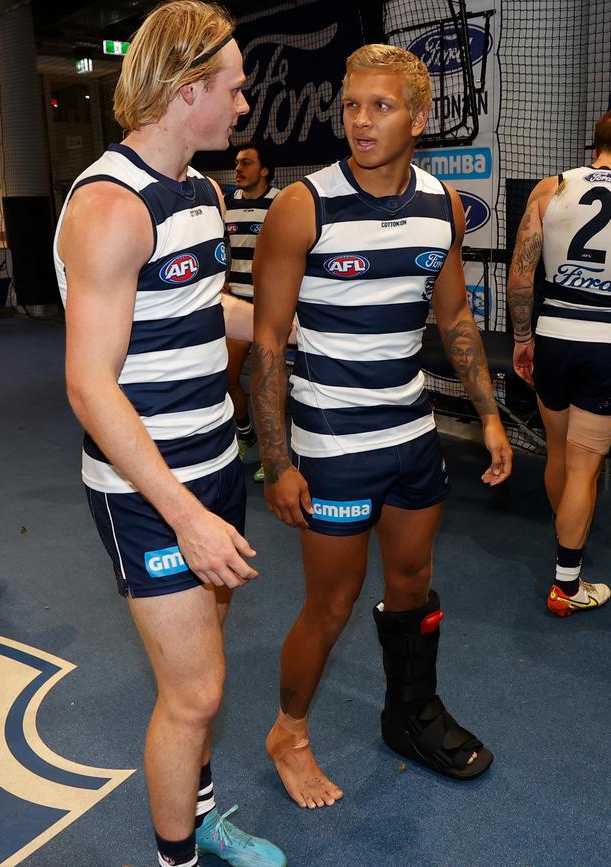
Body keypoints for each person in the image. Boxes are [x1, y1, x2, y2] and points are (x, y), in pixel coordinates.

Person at [250, 43, 513, 810]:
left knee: (413, 582)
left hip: (412, 433)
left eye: (381, 106)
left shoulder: (443, 205)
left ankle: (410, 713)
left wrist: (490, 417)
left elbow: (456, 315)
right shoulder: (305, 206)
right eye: (352, 104)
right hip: (334, 445)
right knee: (330, 603)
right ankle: (288, 732)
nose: (360, 122)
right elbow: (267, 341)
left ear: (420, 118)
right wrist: (277, 460)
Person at [53, 3, 286, 866]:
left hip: (217, 463)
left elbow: (197, 313)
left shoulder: (200, 190)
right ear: (190, 91)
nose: (242, 108)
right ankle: (175, 855)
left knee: (204, 675)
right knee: (194, 694)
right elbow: (87, 383)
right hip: (152, 495)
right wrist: (184, 513)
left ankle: (202, 812)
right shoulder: (111, 208)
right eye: (233, 90)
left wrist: (285, 325)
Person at [507, 110, 611, 617]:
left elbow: (521, 278)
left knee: (558, 455)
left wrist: (523, 338)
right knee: (585, 468)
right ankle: (567, 582)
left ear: (596, 144)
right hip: (605, 344)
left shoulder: (551, 187)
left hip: (553, 337)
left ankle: (565, 537)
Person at [224, 140, 280, 481]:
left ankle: (274, 457)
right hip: (236, 308)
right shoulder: (227, 204)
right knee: (227, 381)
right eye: (237, 163)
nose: (239, 169)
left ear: (264, 170)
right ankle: (245, 433)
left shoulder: (281, 203)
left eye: (247, 163)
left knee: (265, 386)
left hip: (269, 309)